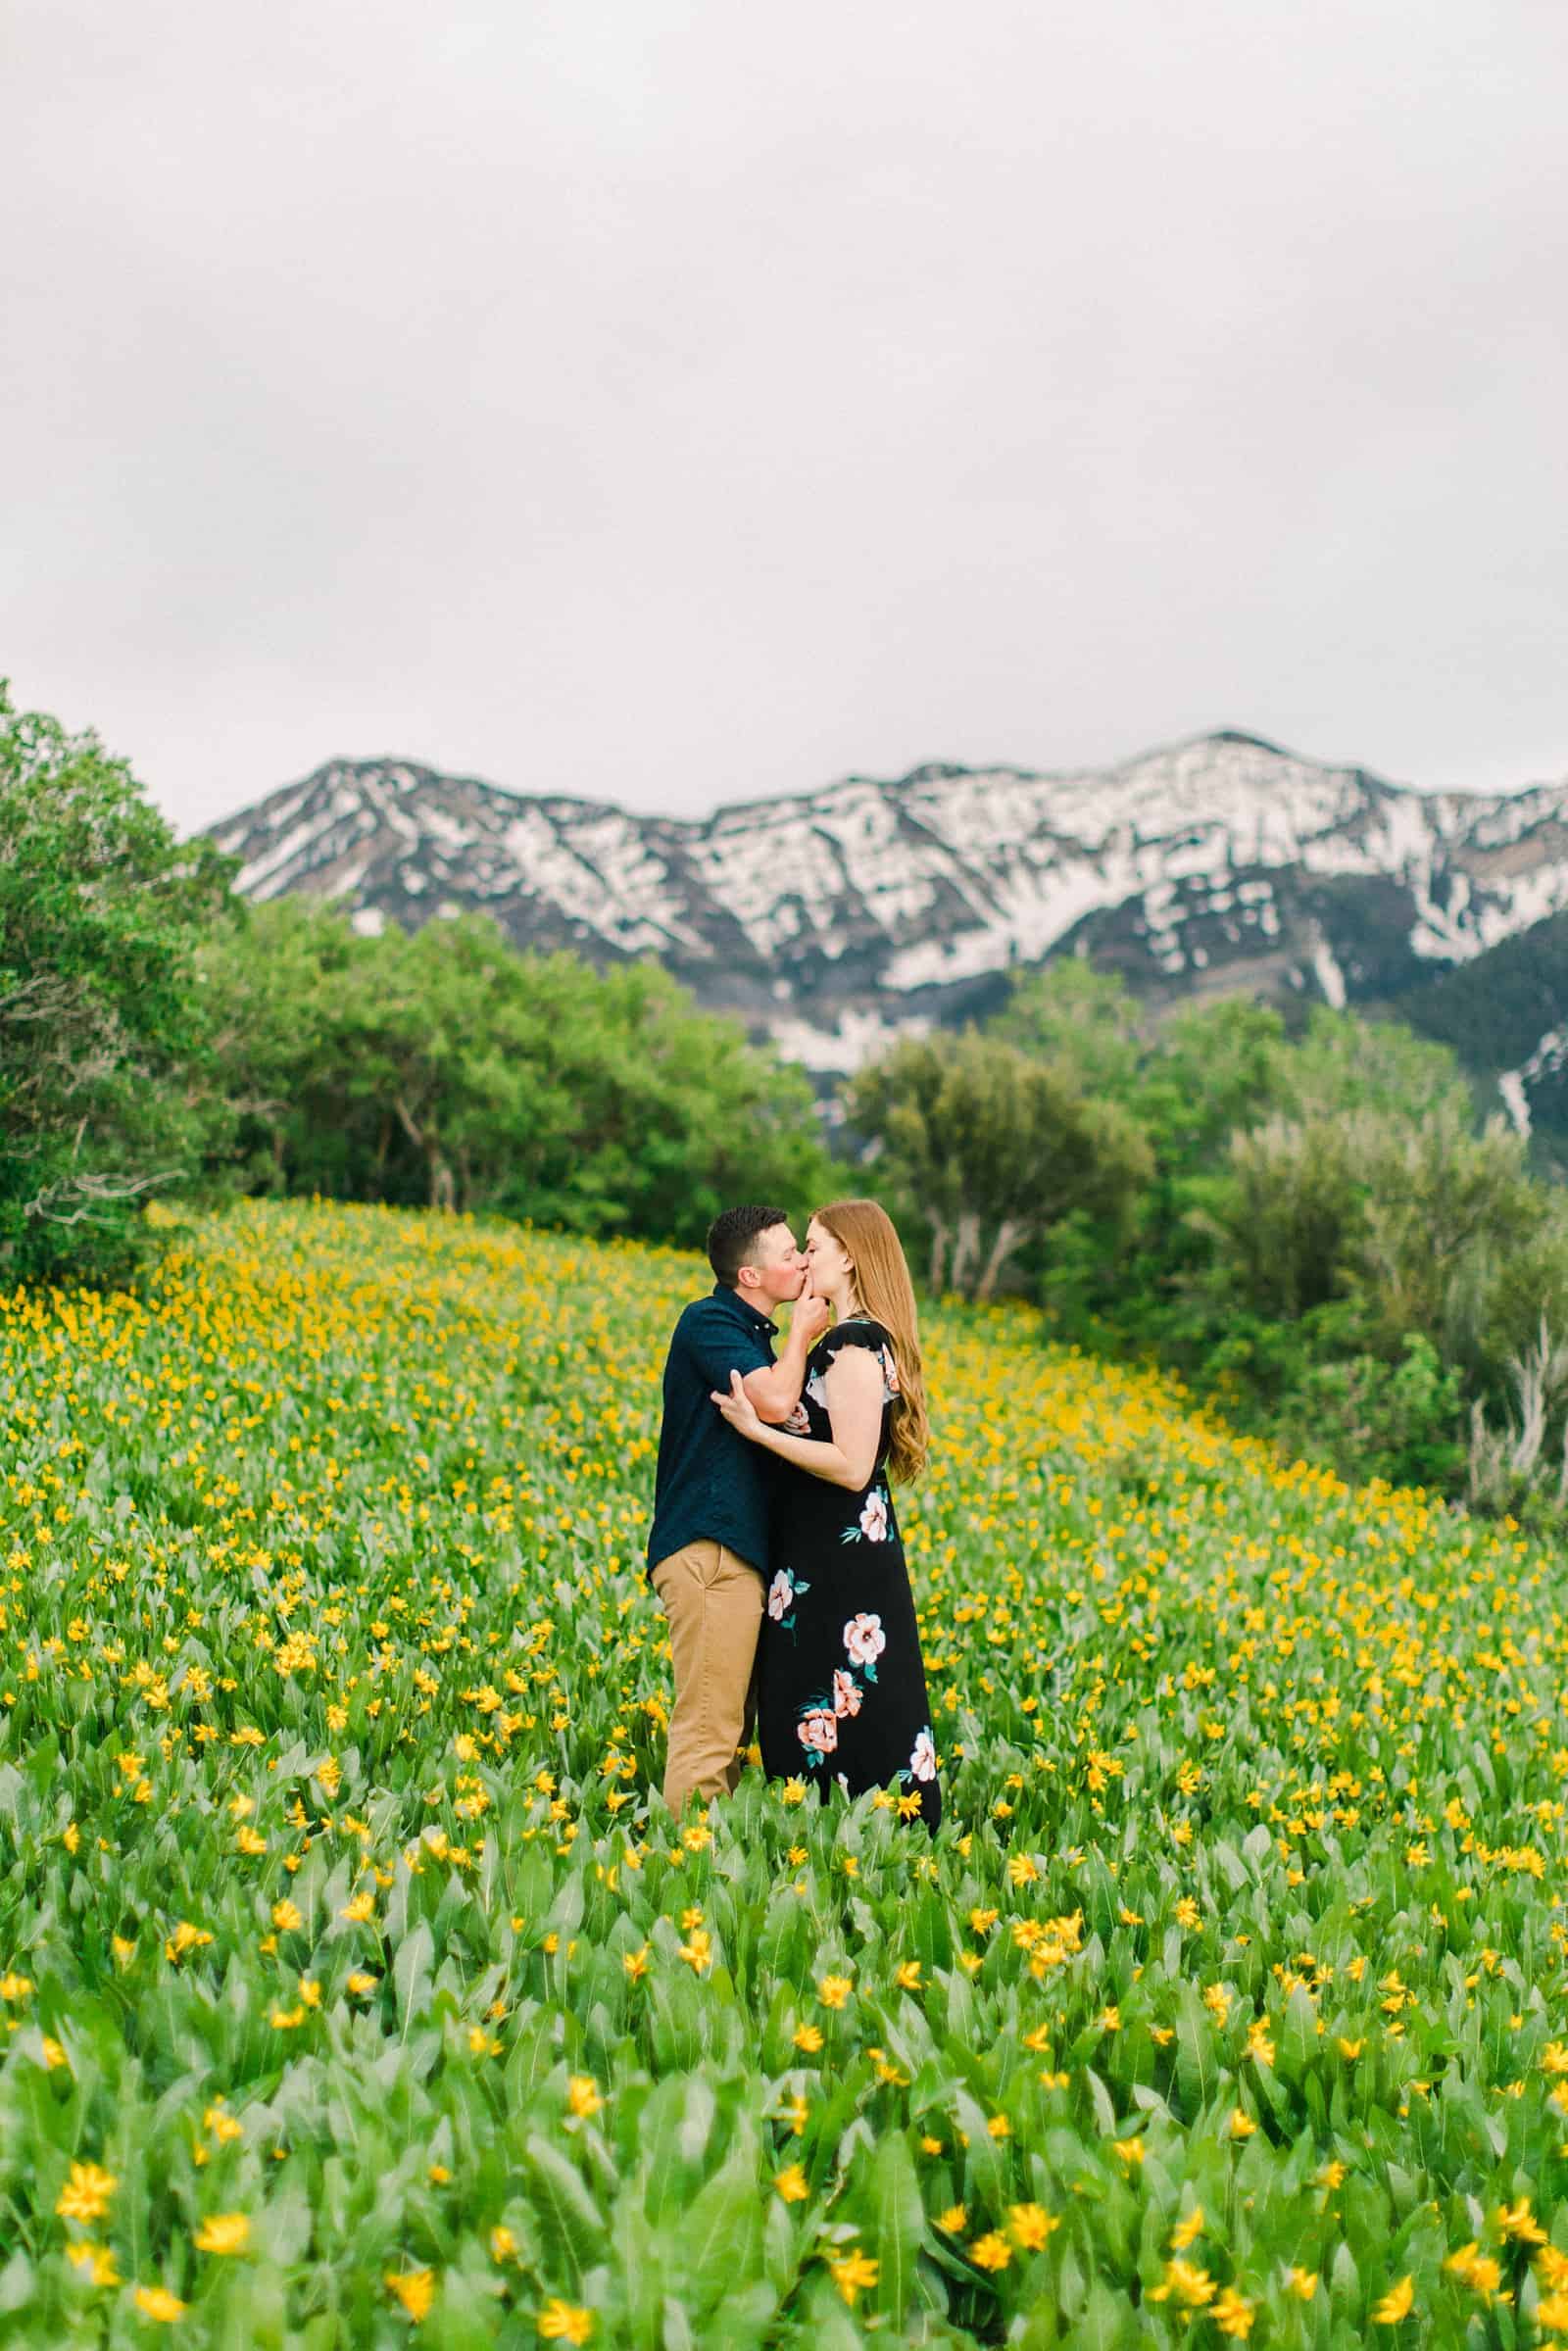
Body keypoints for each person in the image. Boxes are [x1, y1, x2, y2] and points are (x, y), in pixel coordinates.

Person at [712, 1198, 940, 1831]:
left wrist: (757, 1431)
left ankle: (859, 1846)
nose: (805, 1258)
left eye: (814, 1245)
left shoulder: (853, 1343)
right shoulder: (847, 1339)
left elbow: (850, 1463)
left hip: (837, 1572)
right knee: (817, 1708)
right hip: (825, 1559)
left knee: (832, 1711)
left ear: (850, 1254)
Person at [646, 1204, 830, 1815]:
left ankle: (699, 1871)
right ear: (750, 1277)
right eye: (788, 1254)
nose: (801, 1260)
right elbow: (775, 1402)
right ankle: (680, 1881)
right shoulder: (709, 1321)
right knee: (709, 1733)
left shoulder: (753, 1337)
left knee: (730, 1735)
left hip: (737, 1553)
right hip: (710, 1550)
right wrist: (804, 1331)